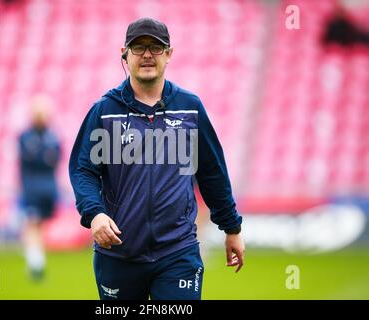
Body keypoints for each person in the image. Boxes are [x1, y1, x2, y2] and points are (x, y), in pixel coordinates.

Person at [69, 17, 244, 300]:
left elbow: (212, 173)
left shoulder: (190, 108)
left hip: (177, 252)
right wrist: (95, 214)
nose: (147, 55)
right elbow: (83, 171)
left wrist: (232, 227)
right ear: (124, 54)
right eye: (138, 47)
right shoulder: (104, 111)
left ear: (169, 54)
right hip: (118, 254)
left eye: (156, 47)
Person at [18, 95, 61, 280]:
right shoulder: (53, 138)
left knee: (30, 226)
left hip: (33, 189)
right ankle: (37, 260)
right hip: (49, 188)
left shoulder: (25, 138)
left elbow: (29, 160)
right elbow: (54, 160)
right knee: (37, 226)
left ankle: (36, 264)